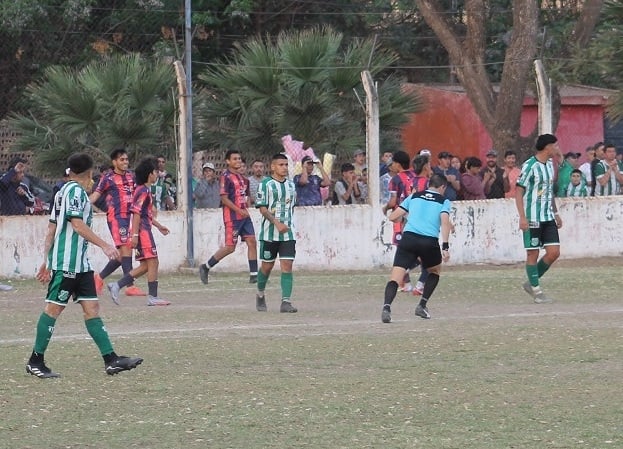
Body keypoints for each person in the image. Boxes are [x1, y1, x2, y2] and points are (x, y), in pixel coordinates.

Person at [26, 152, 142, 378]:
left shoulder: (62, 192)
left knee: (92, 308)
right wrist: (105, 245)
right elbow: (78, 225)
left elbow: (52, 228)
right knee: (53, 309)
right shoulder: (76, 192)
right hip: (67, 263)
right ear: (88, 173)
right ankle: (35, 361)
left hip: (81, 264)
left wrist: (45, 260)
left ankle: (111, 359)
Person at [381, 173, 451, 323]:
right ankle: (422, 305)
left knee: (395, 277)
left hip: (409, 239)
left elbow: (393, 217)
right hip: (429, 242)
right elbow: (445, 222)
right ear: (442, 187)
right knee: (435, 271)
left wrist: (407, 217)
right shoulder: (443, 201)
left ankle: (386, 308)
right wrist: (445, 246)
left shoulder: (414, 196)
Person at [107, 157, 171, 306]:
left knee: (145, 266)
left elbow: (145, 214)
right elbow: (136, 213)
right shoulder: (143, 191)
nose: (157, 174)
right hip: (143, 232)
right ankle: (153, 297)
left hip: (143, 231)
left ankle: (117, 285)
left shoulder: (143, 190)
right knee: (153, 262)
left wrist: (158, 226)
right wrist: (135, 235)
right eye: (155, 171)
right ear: (150, 174)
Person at [89, 149, 146, 297]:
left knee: (122, 255)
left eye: (126, 159)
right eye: (122, 160)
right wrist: (83, 204)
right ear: (114, 162)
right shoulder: (107, 178)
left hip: (130, 217)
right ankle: (130, 286)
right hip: (116, 218)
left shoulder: (131, 177)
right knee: (126, 249)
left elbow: (138, 194)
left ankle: (99, 278)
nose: (125, 162)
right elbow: (95, 196)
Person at [199, 149, 259, 284]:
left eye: (239, 159)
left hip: (244, 216)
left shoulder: (243, 179)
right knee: (230, 247)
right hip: (232, 218)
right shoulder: (225, 177)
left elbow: (245, 196)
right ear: (228, 161)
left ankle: (254, 275)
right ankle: (206, 267)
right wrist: (239, 210)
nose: (238, 161)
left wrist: (246, 208)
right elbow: (224, 199)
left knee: (252, 241)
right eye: (235, 159)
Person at [515, 133, 562, 304]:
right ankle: (536, 291)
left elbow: (549, 192)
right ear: (548, 147)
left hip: (547, 216)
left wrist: (555, 213)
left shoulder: (549, 165)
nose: (557, 148)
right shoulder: (530, 165)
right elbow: (518, 191)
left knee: (554, 252)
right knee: (532, 253)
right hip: (532, 217)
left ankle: (531, 282)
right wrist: (522, 217)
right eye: (555, 145)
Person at [254, 153, 298, 313]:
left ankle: (286, 302)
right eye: (281, 165)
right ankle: (260, 294)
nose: (284, 168)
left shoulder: (291, 185)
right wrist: (276, 223)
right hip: (269, 234)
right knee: (267, 267)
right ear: (273, 167)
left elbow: (292, 207)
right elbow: (262, 208)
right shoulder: (265, 184)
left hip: (288, 234)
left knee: (287, 265)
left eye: (286, 165)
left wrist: (287, 224)